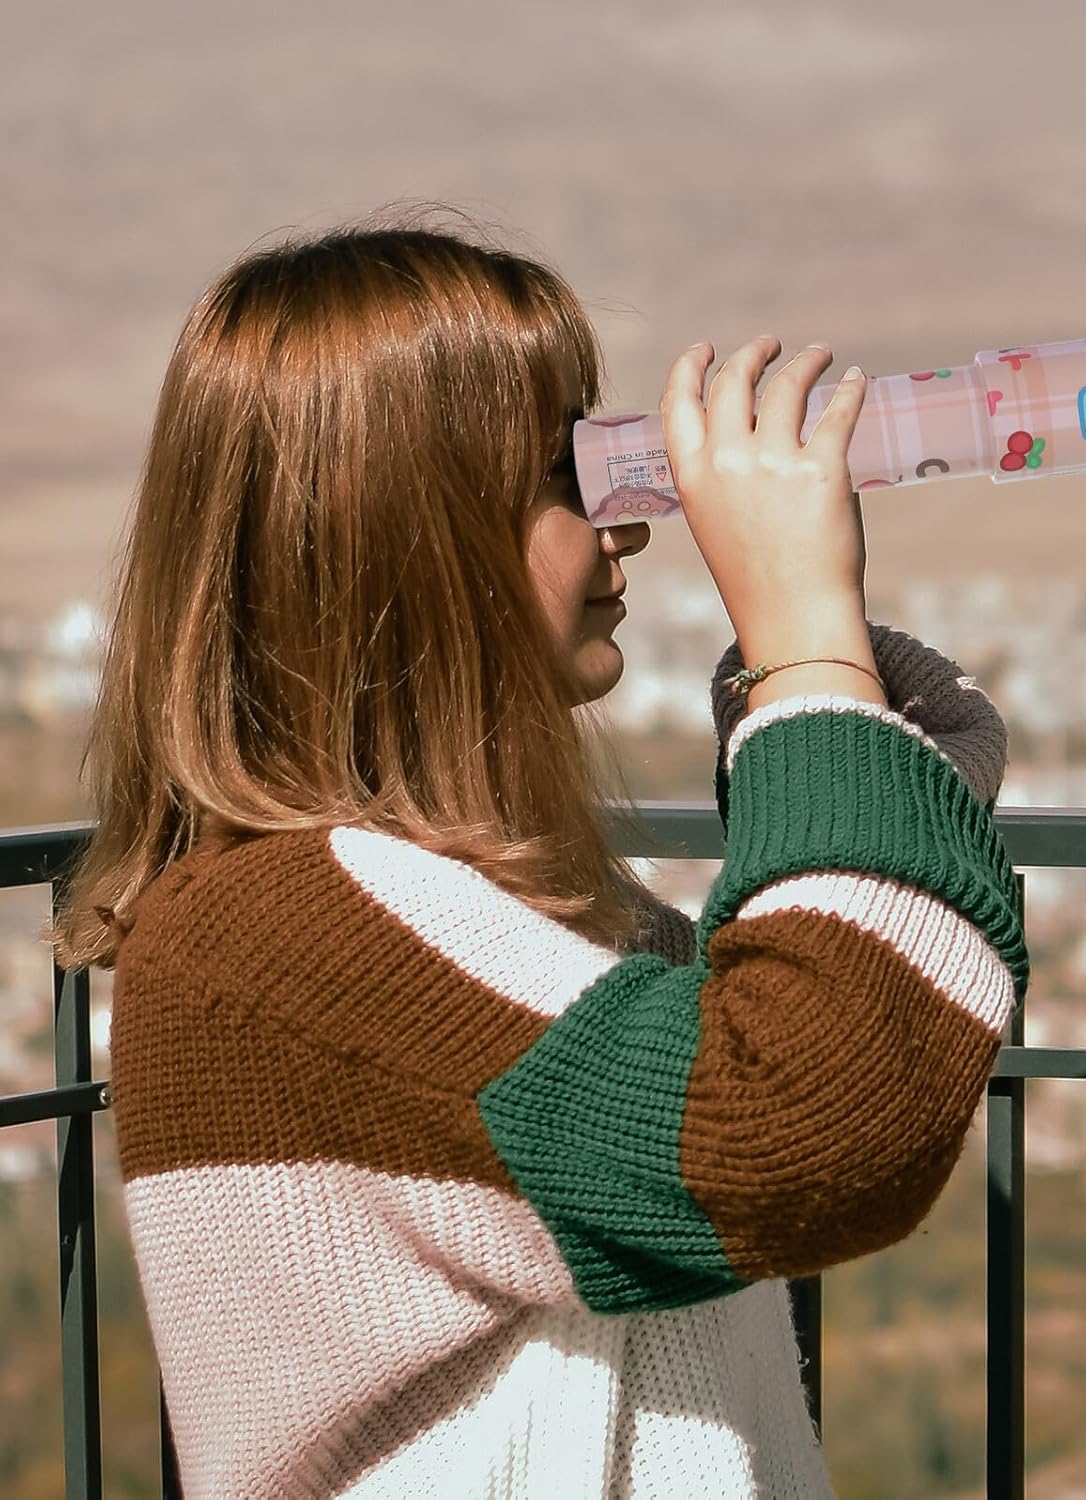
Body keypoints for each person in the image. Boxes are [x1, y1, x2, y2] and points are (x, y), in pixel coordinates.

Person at [49, 218, 1029, 1499]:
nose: (628, 525)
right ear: (404, 532)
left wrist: (869, 735)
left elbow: (840, 1031)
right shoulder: (274, 933)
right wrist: (802, 641)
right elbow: (805, 1128)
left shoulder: (465, 907)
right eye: (569, 473)